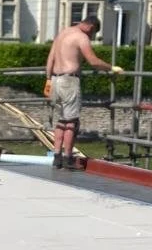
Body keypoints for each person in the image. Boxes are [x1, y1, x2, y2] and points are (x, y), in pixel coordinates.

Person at [44, 13, 122, 170]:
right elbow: (93, 61)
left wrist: (48, 80)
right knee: (71, 121)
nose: (91, 37)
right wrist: (111, 68)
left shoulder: (63, 32)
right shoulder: (81, 37)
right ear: (91, 27)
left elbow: (50, 59)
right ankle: (68, 158)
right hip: (69, 81)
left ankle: (57, 157)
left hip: (55, 80)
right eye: (93, 33)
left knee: (61, 120)